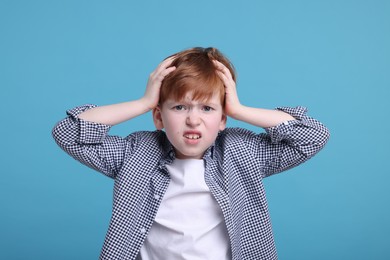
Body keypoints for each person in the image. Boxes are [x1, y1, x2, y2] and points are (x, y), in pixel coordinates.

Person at [52, 47, 330, 260]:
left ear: (223, 119)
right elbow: (67, 132)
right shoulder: (136, 152)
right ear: (159, 117)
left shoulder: (242, 151)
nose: (193, 120)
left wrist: (239, 110)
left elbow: (313, 136)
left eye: (207, 109)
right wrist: (143, 102)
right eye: (180, 107)